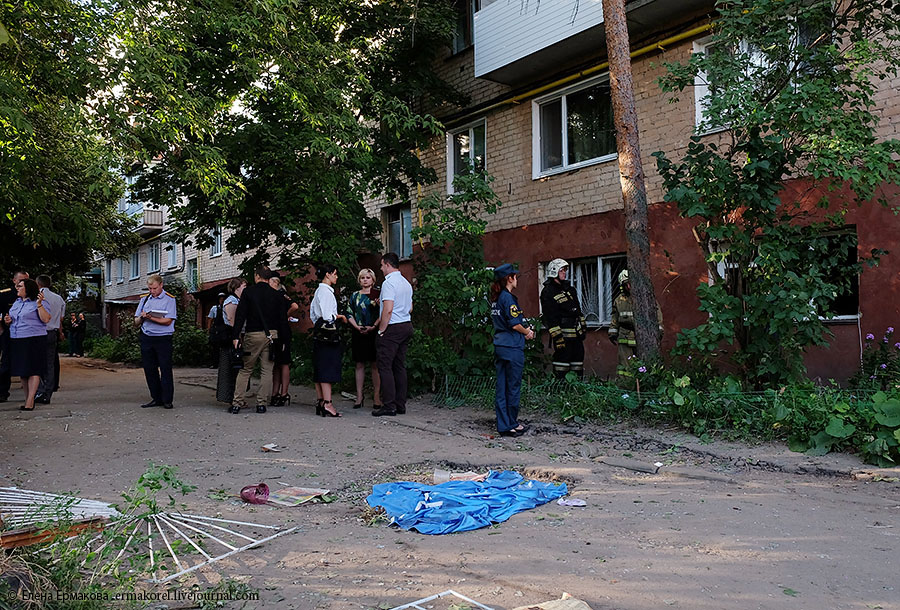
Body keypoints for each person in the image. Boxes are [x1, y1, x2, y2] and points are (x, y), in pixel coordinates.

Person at [230, 266, 288, 414]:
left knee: (245, 369)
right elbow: (282, 320)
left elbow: (241, 315)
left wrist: (236, 336)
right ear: (269, 278)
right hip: (272, 336)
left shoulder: (249, 293)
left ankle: (237, 403)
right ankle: (261, 404)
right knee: (267, 370)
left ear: (256, 276)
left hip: (253, 335)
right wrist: (283, 340)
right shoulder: (277, 295)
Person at [490, 264, 534, 437]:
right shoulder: (508, 298)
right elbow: (515, 324)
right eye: (515, 276)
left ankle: (503, 424)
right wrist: (528, 332)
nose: (517, 279)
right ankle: (512, 424)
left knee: (502, 387)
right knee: (513, 387)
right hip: (512, 347)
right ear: (509, 278)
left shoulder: (497, 298)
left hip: (500, 345)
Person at [373, 253, 413, 417]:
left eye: (382, 266)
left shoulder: (388, 284)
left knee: (385, 366)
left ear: (387, 264)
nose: (381, 269)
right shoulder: (406, 282)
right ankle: (400, 404)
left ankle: (389, 405)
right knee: (399, 366)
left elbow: (388, 310)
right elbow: (410, 308)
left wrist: (382, 330)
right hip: (406, 325)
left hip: (393, 327)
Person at [3, 278, 52, 410]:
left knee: (33, 369)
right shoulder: (17, 302)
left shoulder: (39, 302)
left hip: (33, 339)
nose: (17, 288)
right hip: (17, 338)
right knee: (22, 371)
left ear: (28, 289)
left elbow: (46, 319)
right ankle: (27, 399)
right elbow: (13, 319)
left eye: (20, 286)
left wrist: (39, 304)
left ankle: (30, 401)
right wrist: (8, 320)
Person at [134, 274, 178, 410]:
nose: (152, 291)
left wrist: (151, 317)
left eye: (154, 288)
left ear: (161, 285)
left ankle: (167, 400)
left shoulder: (169, 299)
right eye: (149, 288)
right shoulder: (145, 299)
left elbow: (168, 321)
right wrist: (142, 318)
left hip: (163, 338)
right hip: (147, 337)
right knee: (149, 369)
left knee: (165, 369)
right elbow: (135, 321)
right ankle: (156, 398)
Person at [310, 264, 347, 417]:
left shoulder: (318, 291)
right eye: (335, 274)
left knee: (320, 366)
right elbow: (327, 315)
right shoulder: (326, 292)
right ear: (328, 274)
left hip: (319, 332)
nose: (336, 277)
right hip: (328, 334)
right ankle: (327, 403)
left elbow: (313, 314)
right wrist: (340, 317)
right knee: (327, 367)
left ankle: (320, 401)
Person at [540, 258, 587, 379]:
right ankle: (561, 389)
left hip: (576, 334)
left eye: (565, 270)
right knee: (562, 361)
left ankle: (577, 388)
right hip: (563, 335)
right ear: (554, 271)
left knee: (578, 360)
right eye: (562, 270)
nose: (564, 273)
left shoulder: (569, 290)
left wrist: (582, 325)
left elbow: (577, 309)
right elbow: (549, 316)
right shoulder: (548, 291)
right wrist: (557, 337)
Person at [608, 269, 663, 367]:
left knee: (645, 365)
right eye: (626, 284)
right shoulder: (619, 300)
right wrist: (612, 333)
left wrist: (658, 332)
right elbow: (614, 318)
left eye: (630, 283)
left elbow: (657, 317)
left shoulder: (646, 298)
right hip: (625, 339)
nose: (629, 287)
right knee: (625, 367)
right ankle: (625, 382)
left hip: (643, 339)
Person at [347, 268, 381, 409]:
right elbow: (349, 313)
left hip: (374, 331)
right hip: (358, 331)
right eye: (362, 278)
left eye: (368, 277)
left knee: (375, 364)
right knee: (359, 364)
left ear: (373, 280)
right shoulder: (355, 296)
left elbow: (384, 312)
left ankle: (377, 396)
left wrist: (373, 326)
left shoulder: (378, 295)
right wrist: (356, 327)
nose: (365, 280)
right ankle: (359, 396)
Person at [268, 271, 299, 406]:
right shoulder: (270, 296)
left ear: (276, 283)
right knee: (276, 362)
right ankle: (275, 392)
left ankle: (284, 393)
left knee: (284, 362)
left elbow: (295, 306)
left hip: (283, 332)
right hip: (274, 332)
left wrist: (285, 316)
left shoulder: (281, 295)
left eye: (270, 282)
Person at [35, 275, 65, 404]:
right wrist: (60, 332)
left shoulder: (37, 297)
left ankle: (39, 390)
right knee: (50, 363)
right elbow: (61, 318)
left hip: (37, 332)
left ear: (38, 284)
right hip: (52, 332)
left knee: (36, 362)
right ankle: (48, 391)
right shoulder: (59, 299)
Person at [0, 270, 29, 402]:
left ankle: (31, 392)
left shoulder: (31, 294)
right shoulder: (5, 295)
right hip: (8, 332)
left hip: (26, 333)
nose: (23, 283)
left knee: (27, 361)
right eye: (21, 280)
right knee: (6, 362)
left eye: (26, 280)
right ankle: (2, 391)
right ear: (14, 280)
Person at [216, 278, 246, 404]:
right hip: (231, 339)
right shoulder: (232, 301)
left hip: (233, 337)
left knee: (234, 367)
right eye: (244, 286)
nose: (246, 288)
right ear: (237, 287)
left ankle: (234, 396)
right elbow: (232, 320)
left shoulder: (237, 300)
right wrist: (238, 337)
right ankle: (231, 397)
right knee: (231, 367)